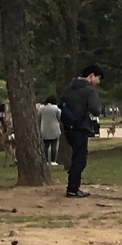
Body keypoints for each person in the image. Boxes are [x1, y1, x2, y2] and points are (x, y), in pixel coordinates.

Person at [58, 64, 104, 197]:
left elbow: (60, 103)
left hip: (68, 126)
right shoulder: (90, 90)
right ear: (91, 76)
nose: (98, 82)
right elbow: (96, 110)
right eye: (98, 78)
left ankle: (72, 185)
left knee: (76, 156)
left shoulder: (69, 87)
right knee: (80, 159)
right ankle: (73, 188)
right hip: (80, 127)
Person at [38, 97, 62, 167]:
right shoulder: (56, 108)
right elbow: (59, 117)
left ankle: (45, 161)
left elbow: (39, 117)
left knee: (45, 146)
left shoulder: (41, 108)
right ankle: (53, 160)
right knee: (54, 145)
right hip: (54, 128)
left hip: (44, 128)